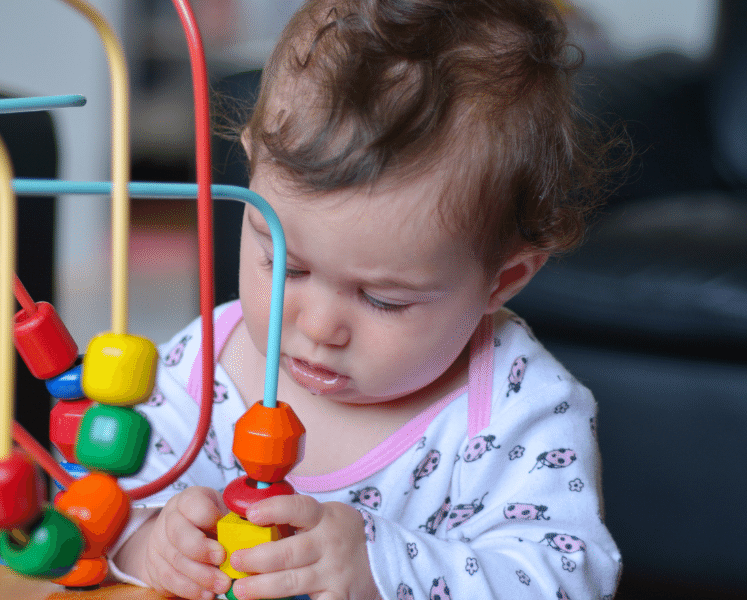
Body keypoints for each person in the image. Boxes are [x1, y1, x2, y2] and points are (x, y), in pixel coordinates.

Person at [109, 1, 623, 599]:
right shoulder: (204, 365)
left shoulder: (516, 410)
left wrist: (382, 568)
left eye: (383, 300)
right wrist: (150, 545)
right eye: (288, 265)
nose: (319, 325)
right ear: (251, 171)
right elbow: (104, 499)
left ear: (502, 280)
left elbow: (567, 578)